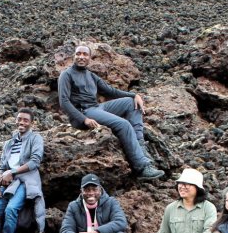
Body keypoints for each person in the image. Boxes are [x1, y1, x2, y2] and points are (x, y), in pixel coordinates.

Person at [58, 44, 164, 180]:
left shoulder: (91, 75)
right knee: (123, 124)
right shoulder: (66, 75)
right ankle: (142, 167)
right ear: (74, 55)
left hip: (96, 108)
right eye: (78, 54)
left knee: (131, 103)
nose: (81, 57)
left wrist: (133, 95)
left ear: (90, 58)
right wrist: (84, 119)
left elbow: (110, 91)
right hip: (84, 113)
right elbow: (64, 102)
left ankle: (140, 146)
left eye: (85, 54)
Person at [0, 109, 45, 233]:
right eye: (19, 119)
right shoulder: (9, 143)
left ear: (31, 123)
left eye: (26, 120)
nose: (22, 122)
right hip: (7, 181)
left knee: (11, 209)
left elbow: (35, 162)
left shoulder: (35, 138)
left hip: (25, 181)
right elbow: (3, 167)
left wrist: (13, 172)